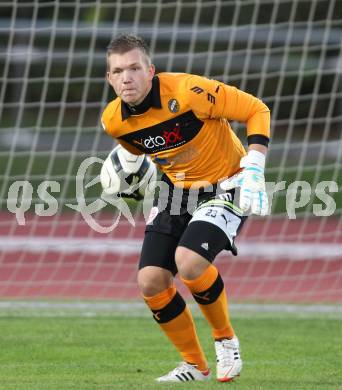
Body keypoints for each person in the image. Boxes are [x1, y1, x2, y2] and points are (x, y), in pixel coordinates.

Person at [101, 34, 270, 383]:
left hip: (227, 184)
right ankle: (195, 365)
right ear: (109, 78)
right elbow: (141, 156)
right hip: (175, 191)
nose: (126, 77)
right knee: (151, 281)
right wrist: (133, 178)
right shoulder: (114, 122)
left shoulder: (190, 91)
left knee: (190, 262)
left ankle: (225, 339)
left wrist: (254, 166)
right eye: (118, 71)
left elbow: (256, 109)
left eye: (134, 68)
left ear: (151, 71)